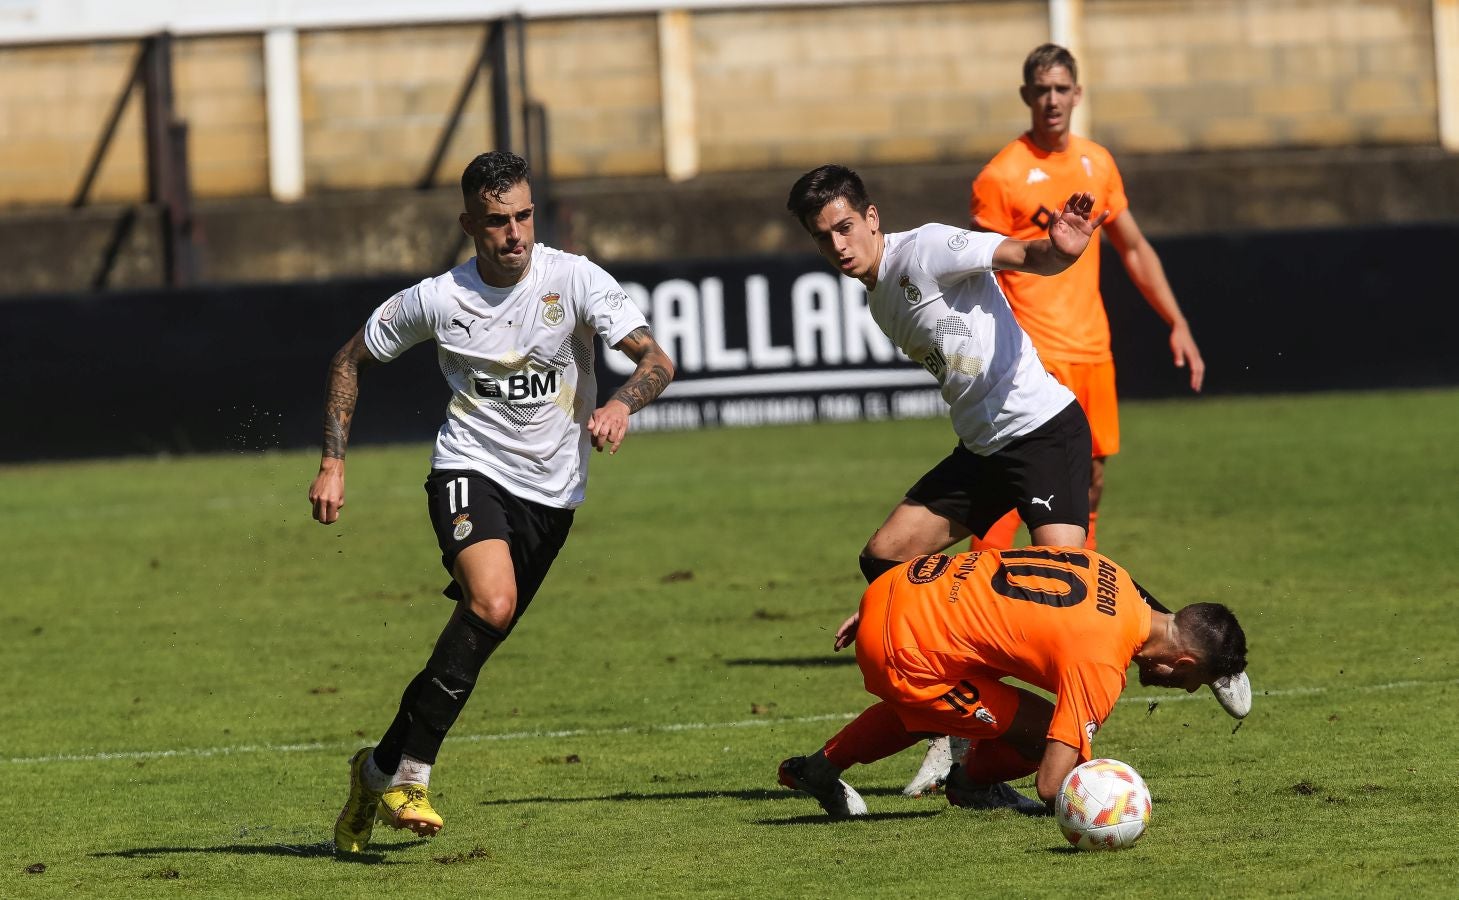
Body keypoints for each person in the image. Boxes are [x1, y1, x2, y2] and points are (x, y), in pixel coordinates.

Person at [309, 150, 675, 854]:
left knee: (476, 640)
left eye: (524, 216)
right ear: (470, 224)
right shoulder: (438, 299)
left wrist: (624, 404)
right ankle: (412, 776)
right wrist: (332, 461)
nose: (515, 234)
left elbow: (656, 360)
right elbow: (348, 358)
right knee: (492, 603)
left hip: (553, 494)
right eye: (498, 221)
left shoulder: (573, 280)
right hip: (469, 468)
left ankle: (374, 769)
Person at [777, 547, 1248, 817]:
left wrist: (891, 599)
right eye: (1195, 682)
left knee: (941, 700)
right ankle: (972, 785)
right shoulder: (1102, 662)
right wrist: (1112, 799)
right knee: (1044, 738)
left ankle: (819, 769)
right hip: (905, 645)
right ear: (1181, 662)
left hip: (906, 584)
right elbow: (1051, 785)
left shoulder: (1115, 575)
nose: (1185, 691)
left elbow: (996, 563)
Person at [967, 43, 1206, 555]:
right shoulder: (1001, 176)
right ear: (1025, 95)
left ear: (1077, 94)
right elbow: (978, 266)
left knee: (1090, 481)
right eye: (1041, 90)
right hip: (1033, 352)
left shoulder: (1097, 163)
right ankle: (978, 604)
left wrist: (1176, 320)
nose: (1051, 100)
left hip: (1092, 350)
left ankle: (1076, 598)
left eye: (1060, 89)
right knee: (1017, 484)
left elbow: (1135, 249)